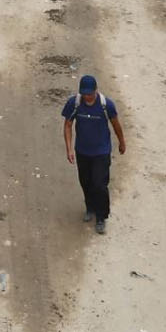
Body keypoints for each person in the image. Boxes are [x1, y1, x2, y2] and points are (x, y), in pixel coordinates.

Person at [61, 75, 126, 235]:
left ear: (96, 90)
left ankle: (101, 216)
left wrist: (122, 142)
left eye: (90, 94)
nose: (87, 97)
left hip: (101, 152)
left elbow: (116, 124)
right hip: (82, 151)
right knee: (85, 181)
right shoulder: (74, 103)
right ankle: (89, 207)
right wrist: (69, 148)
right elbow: (68, 125)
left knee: (100, 185)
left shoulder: (106, 105)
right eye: (84, 94)